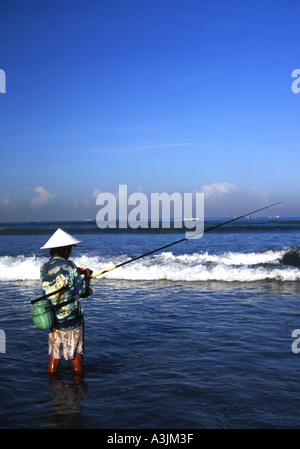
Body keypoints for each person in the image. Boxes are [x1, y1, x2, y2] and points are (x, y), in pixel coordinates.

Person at [40, 228, 93, 377]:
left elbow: (57, 281)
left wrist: (77, 271)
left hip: (53, 317)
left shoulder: (44, 267)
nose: (70, 252)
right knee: (76, 358)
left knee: (54, 358)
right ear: (64, 249)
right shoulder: (69, 266)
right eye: (69, 248)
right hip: (71, 319)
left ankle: (53, 390)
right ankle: (77, 390)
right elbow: (81, 292)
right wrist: (87, 278)